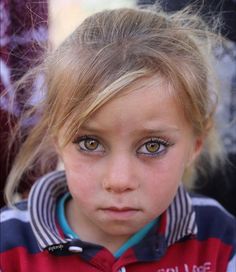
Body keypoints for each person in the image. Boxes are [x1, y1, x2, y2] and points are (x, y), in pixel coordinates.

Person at [0, 5, 235, 271]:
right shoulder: (9, 244)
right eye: (90, 143)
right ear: (56, 138)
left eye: (152, 146)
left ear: (195, 145)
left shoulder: (219, 238)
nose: (119, 181)